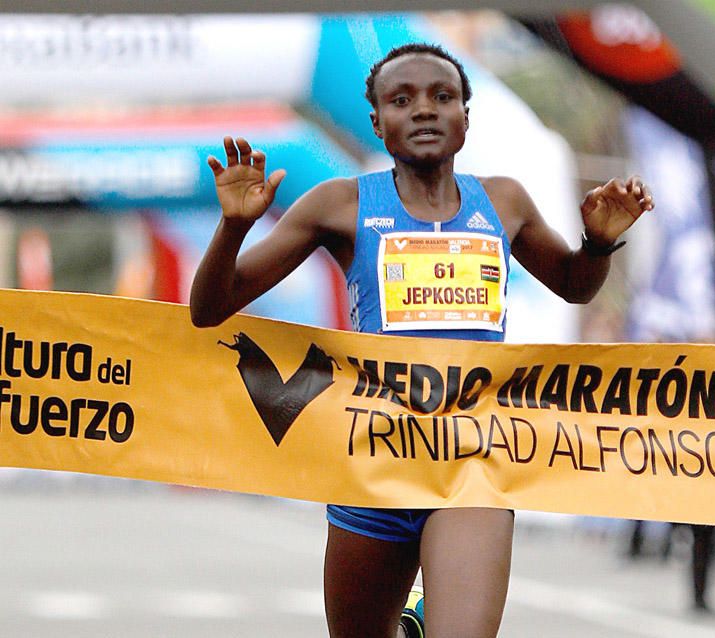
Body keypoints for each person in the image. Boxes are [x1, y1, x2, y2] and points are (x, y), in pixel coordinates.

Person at [190, 42, 654, 638]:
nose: (425, 110)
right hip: (373, 463)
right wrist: (233, 226)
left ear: (466, 115)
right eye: (402, 100)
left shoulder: (504, 202)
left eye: (443, 97)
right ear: (377, 122)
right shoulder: (340, 203)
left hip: (471, 462)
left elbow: (574, 286)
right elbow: (210, 309)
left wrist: (596, 245)